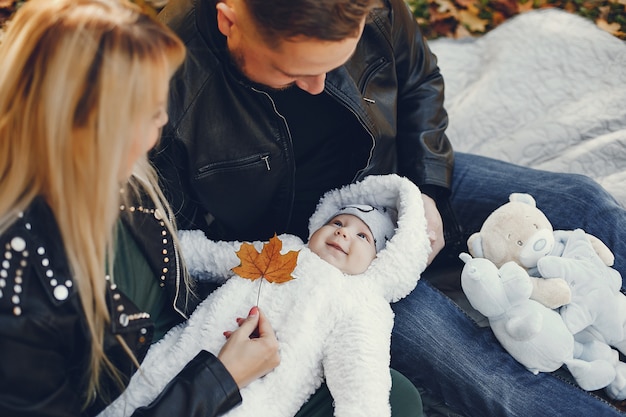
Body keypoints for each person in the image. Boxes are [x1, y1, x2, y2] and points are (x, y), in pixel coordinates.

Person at [152, 0, 626, 415]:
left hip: (396, 175)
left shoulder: (369, 4)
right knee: (477, 370)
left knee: (585, 202)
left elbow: (419, 80)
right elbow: (174, 235)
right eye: (293, 72)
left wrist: (428, 189)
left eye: (334, 64)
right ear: (229, 20)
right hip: (322, 262)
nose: (317, 87)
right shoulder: (168, 73)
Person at [0, 1, 280, 416]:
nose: (165, 120)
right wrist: (220, 378)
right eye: (150, 111)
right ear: (87, 128)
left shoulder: (122, 180)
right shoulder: (18, 291)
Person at [100, 173, 428, 417]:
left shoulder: (361, 304)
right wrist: (166, 243)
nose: (343, 232)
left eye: (363, 236)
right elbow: (219, 256)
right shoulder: (283, 249)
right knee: (143, 388)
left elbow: (361, 379)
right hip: (189, 350)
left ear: (380, 262)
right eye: (338, 222)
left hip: (261, 394)